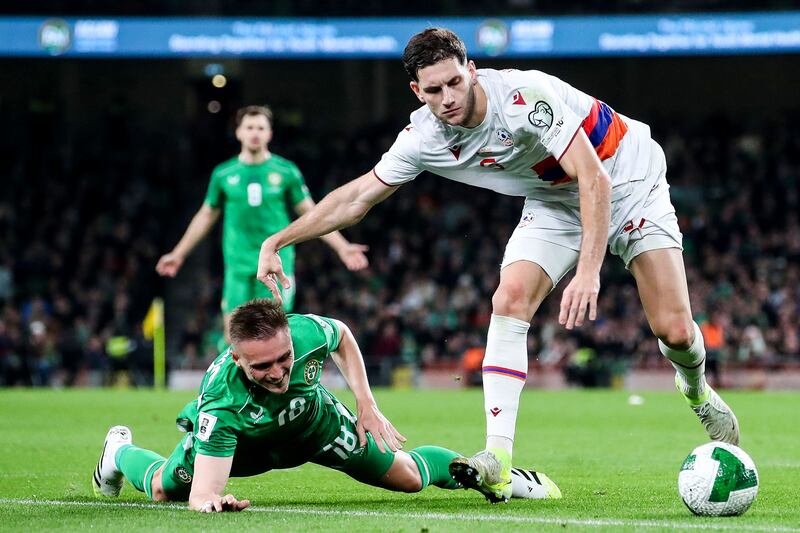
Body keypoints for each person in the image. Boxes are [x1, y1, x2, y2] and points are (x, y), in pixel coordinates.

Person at [254, 28, 740, 502]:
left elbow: (593, 177)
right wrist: (279, 239)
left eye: (454, 83)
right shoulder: (424, 136)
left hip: (627, 179)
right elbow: (356, 198)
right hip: (554, 201)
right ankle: (498, 460)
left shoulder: (524, 98)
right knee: (508, 299)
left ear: (472, 70)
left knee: (674, 330)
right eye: (433, 90)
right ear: (415, 91)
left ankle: (696, 390)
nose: (446, 97)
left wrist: (589, 271)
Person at [92, 299, 561, 510]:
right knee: (161, 490)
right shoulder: (220, 401)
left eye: (283, 359)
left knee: (410, 478)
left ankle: (497, 477)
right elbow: (204, 496)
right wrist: (216, 501)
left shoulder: (304, 331)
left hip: (315, 425)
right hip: (246, 448)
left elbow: (341, 334)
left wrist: (365, 402)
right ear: (235, 358)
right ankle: (116, 453)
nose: (277, 373)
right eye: (261, 368)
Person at [156, 105, 369, 339]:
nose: (254, 133)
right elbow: (205, 215)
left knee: (270, 338)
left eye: (260, 127)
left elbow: (313, 214)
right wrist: (178, 253)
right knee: (233, 338)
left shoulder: (286, 171)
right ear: (238, 132)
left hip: (275, 264)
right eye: (249, 127)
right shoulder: (224, 174)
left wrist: (342, 246)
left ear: (269, 133)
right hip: (238, 266)